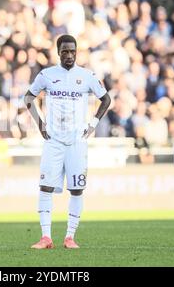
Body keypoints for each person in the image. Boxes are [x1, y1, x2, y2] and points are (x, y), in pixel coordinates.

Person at [24, 34, 111, 249]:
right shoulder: (46, 75)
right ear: (58, 52)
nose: (69, 55)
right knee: (45, 187)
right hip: (53, 141)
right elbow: (28, 98)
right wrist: (40, 124)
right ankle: (46, 237)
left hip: (76, 142)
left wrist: (92, 123)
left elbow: (106, 99)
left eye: (73, 51)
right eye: (65, 51)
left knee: (77, 190)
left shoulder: (87, 76)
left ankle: (70, 237)